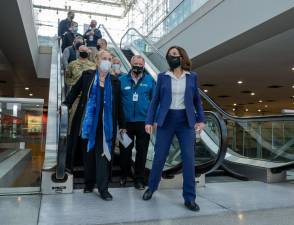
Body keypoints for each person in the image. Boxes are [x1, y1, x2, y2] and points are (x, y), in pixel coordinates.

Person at [142, 46, 205, 212]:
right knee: (159, 156)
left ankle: (190, 198)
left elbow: (197, 100)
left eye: (175, 55)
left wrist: (201, 119)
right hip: (166, 120)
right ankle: (151, 187)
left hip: (186, 122)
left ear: (182, 57)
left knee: (189, 159)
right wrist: (149, 121)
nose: (172, 57)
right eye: (170, 55)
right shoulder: (163, 77)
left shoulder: (192, 76)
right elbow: (155, 101)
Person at [63, 50, 125, 201]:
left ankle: (103, 189)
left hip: (106, 126)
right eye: (104, 58)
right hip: (88, 124)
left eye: (110, 59)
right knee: (88, 156)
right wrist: (65, 105)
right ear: (97, 61)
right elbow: (74, 92)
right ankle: (89, 183)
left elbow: (119, 106)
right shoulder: (87, 76)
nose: (107, 61)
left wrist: (122, 125)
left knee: (103, 156)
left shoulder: (115, 82)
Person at [119, 55, 156, 189]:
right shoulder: (121, 80)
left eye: (141, 64)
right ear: (131, 63)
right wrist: (120, 122)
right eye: (136, 63)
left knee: (142, 152)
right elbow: (118, 102)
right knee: (125, 152)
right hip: (125, 124)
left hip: (144, 123)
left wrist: (153, 121)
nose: (138, 66)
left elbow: (154, 102)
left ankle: (139, 179)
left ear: (144, 65)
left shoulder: (150, 80)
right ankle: (124, 175)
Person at [65, 46, 96, 132]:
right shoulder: (72, 64)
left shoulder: (93, 65)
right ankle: (71, 136)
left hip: (88, 97)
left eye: (85, 51)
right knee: (73, 117)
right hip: (76, 97)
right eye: (82, 50)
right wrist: (73, 84)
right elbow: (67, 78)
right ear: (78, 51)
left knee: (87, 118)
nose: (84, 52)